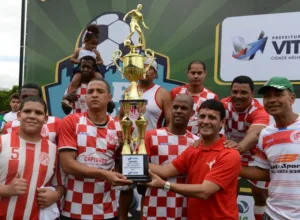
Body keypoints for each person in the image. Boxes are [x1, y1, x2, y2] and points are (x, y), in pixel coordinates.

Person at [146, 99, 241, 220]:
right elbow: (166, 171)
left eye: (211, 117)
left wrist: (165, 185)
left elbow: (205, 191)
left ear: (222, 122)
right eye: (202, 116)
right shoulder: (194, 149)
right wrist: (133, 163)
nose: (205, 121)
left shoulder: (230, 154)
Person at [58, 78, 132, 220]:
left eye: (100, 91)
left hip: (107, 210)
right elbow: (67, 165)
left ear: (109, 97)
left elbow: (120, 166)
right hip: (73, 208)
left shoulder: (121, 127)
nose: (95, 95)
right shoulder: (72, 121)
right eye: (90, 91)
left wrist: (125, 150)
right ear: (85, 97)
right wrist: (104, 174)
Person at [240, 77, 300, 220]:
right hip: (274, 214)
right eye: (267, 96)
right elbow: (264, 172)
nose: (272, 100)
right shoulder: (266, 134)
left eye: (278, 94)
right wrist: (229, 165)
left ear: (292, 98)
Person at [0, 96, 65, 219]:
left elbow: (60, 185)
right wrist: (6, 189)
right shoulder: (2, 142)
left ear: (45, 119)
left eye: (38, 113)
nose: (32, 116)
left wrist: (55, 195)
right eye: (27, 111)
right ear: (19, 115)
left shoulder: (53, 150)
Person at [142, 94, 199, 219]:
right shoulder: (151, 136)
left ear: (192, 112)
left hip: (184, 205)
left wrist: (153, 168)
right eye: (175, 107)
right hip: (155, 203)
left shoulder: (196, 142)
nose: (178, 111)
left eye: (184, 108)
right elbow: (135, 169)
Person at [221, 75, 270, 220]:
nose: (238, 96)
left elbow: (255, 134)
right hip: (232, 152)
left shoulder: (259, 111)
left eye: (243, 93)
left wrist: (238, 148)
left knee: (260, 196)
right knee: (229, 195)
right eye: (235, 92)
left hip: (256, 155)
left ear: (252, 94)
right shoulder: (223, 105)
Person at [170, 60, 218, 136]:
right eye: (193, 73)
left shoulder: (211, 97)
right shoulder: (176, 92)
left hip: (199, 141)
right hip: (177, 138)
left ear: (205, 73)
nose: (196, 76)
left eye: (199, 73)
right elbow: (168, 117)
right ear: (187, 73)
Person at [68, 24, 103, 95]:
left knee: (100, 78)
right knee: (75, 79)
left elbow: (101, 62)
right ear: (85, 41)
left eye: (96, 44)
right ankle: (70, 96)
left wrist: (95, 63)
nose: (94, 46)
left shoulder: (96, 52)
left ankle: (104, 96)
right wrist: (79, 62)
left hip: (93, 69)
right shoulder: (79, 50)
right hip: (81, 69)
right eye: (92, 44)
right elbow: (71, 59)